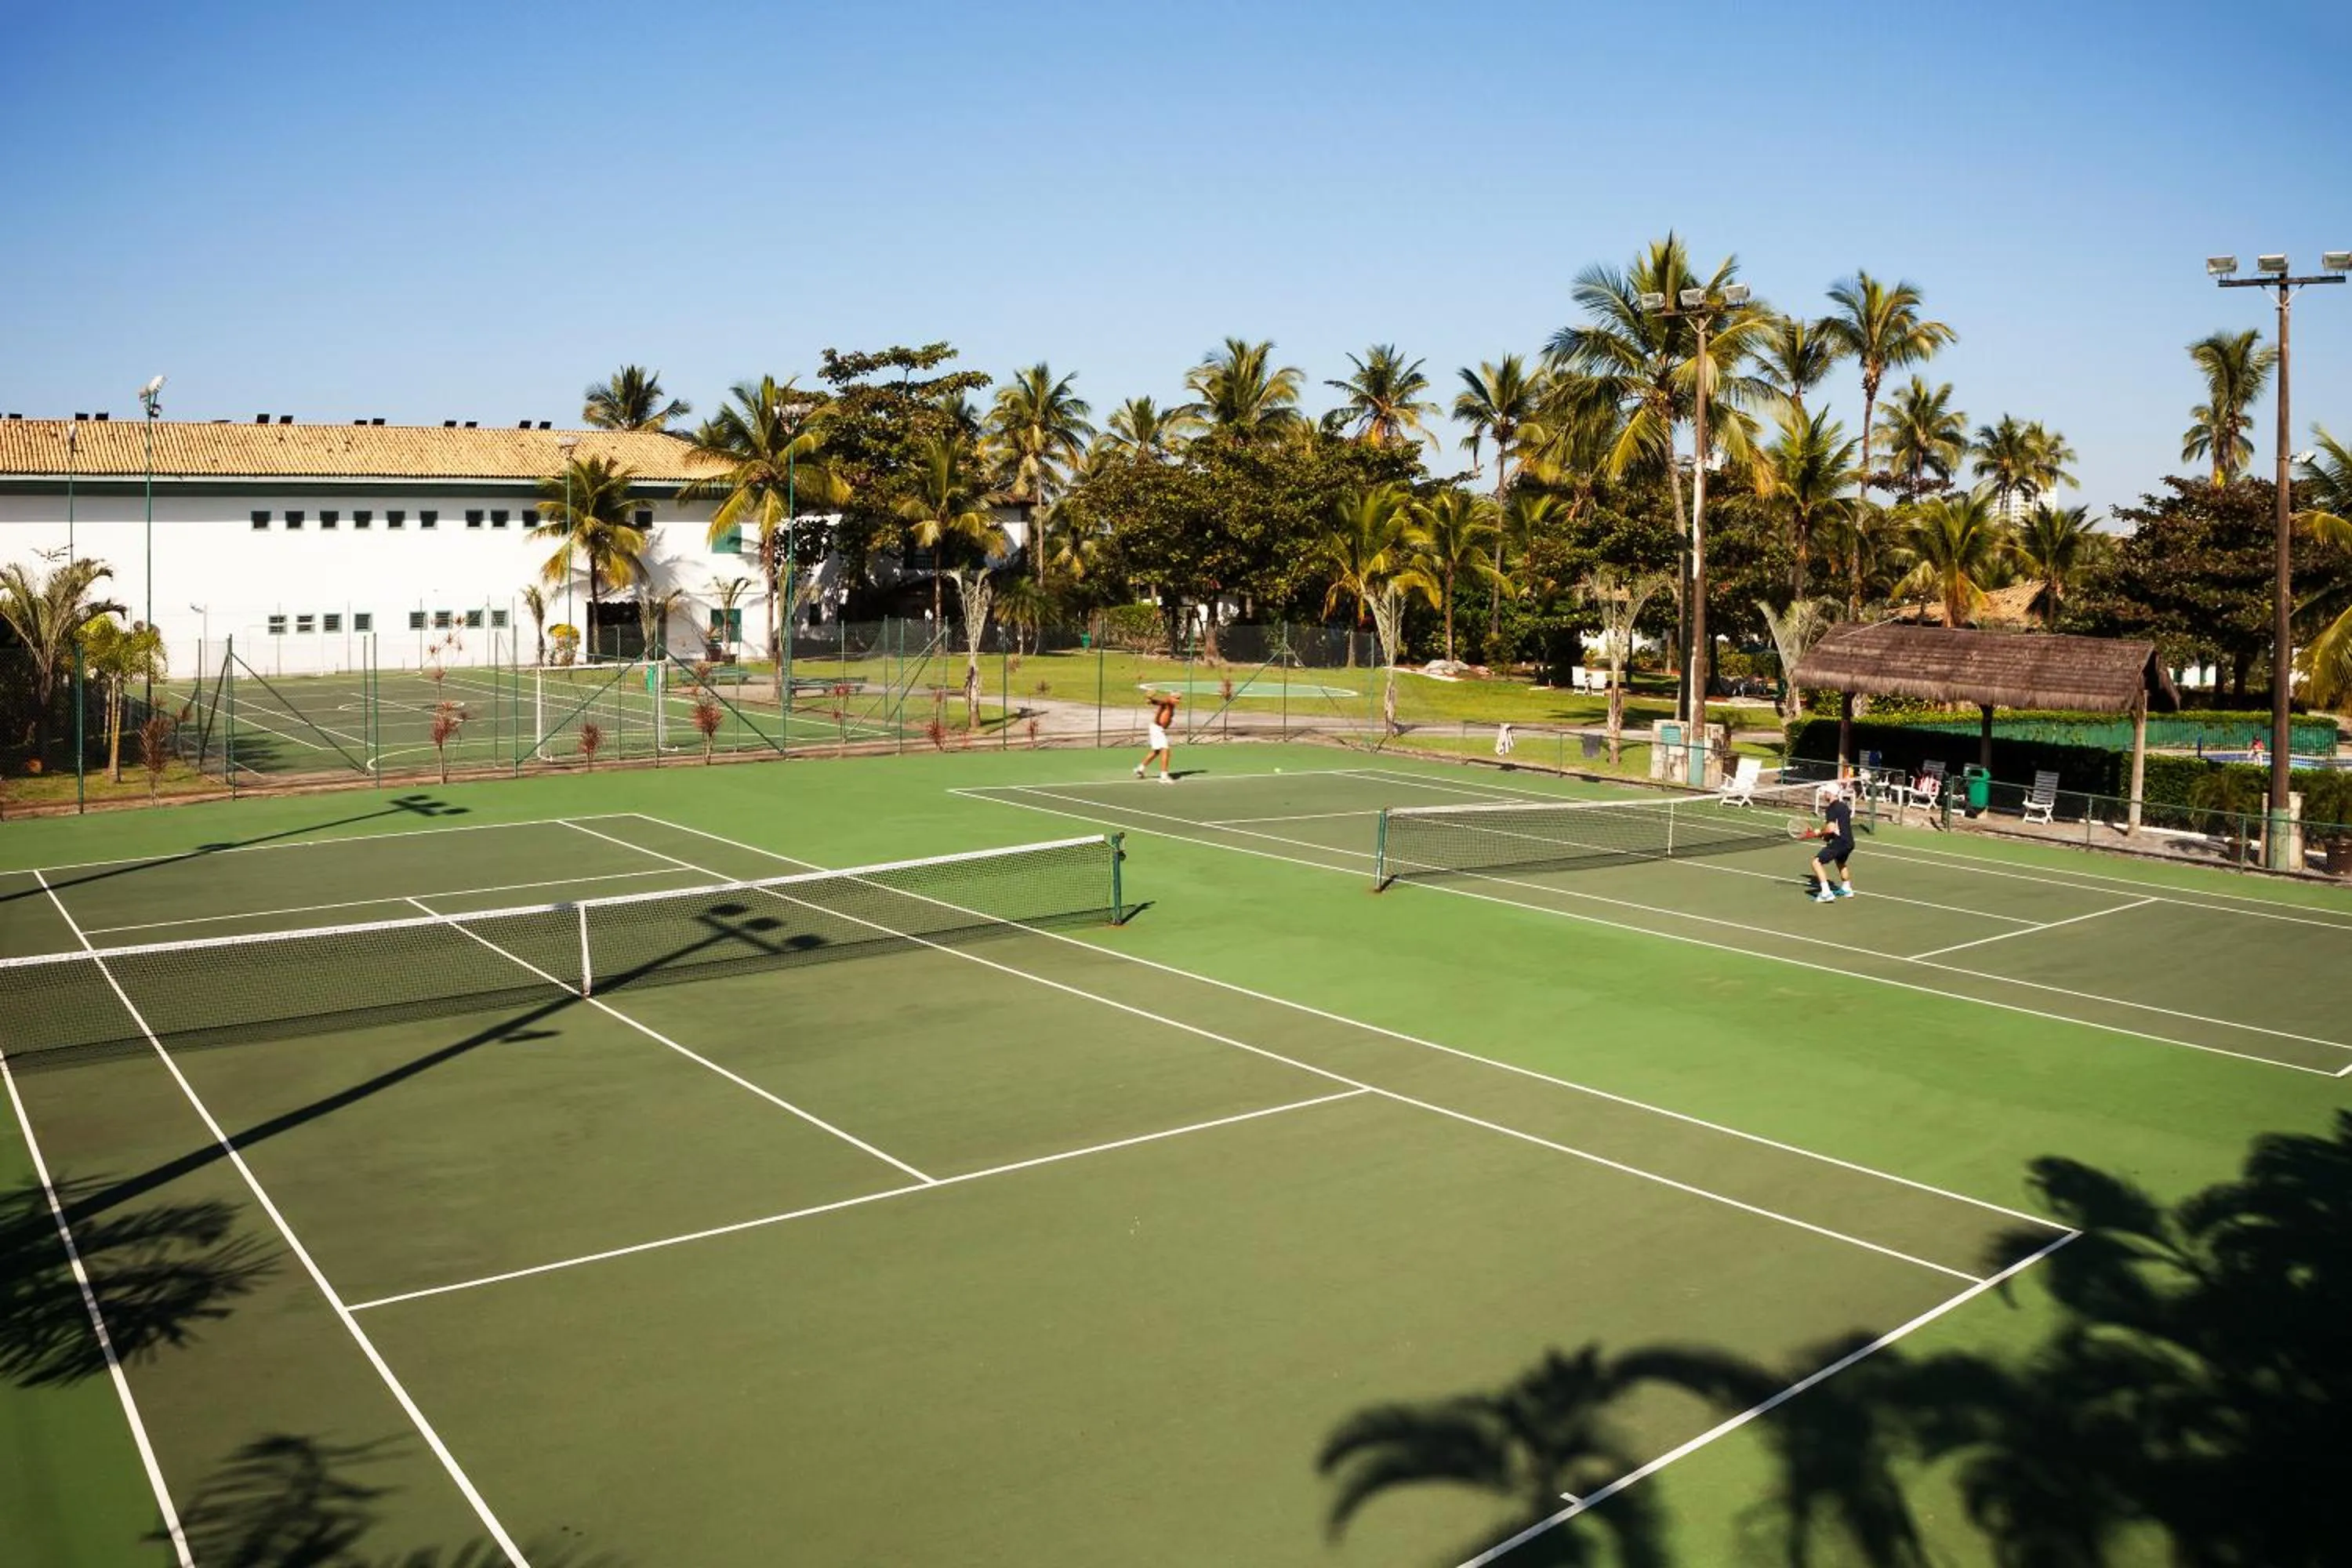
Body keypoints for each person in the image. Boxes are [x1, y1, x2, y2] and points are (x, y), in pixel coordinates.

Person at [1807, 780, 1857, 902]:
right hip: (1849, 842)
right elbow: (1839, 828)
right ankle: (1847, 888)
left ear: (1830, 793)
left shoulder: (1832, 808)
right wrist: (1825, 836)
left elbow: (1831, 828)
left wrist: (1819, 832)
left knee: (1816, 862)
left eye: (1826, 792)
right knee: (1840, 862)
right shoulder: (1844, 806)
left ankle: (1826, 893)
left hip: (1840, 842)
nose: (1824, 794)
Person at [1135, 690, 1180, 782]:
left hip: (1156, 728)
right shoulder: (1168, 701)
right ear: (1171, 697)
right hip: (1157, 728)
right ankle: (1164, 776)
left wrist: (1151, 700)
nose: (1178, 700)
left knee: (1156, 751)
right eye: (1177, 698)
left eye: (1180, 698)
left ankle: (1140, 769)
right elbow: (1162, 702)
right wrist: (1152, 700)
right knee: (1166, 750)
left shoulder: (1171, 705)